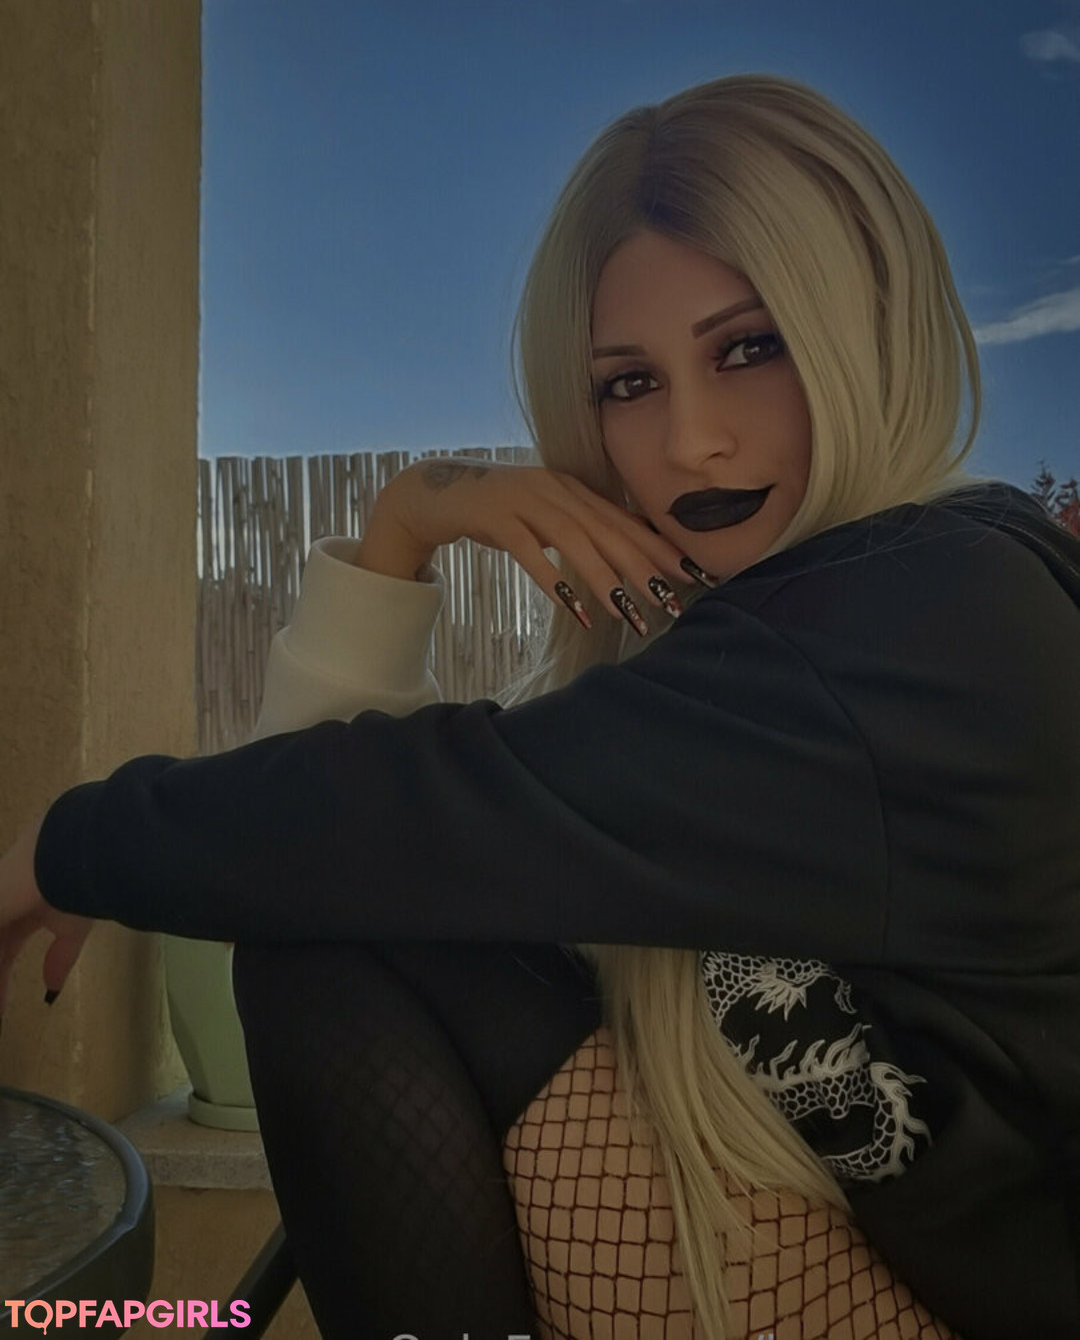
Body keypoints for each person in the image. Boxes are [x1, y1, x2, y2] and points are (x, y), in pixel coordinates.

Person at [1, 72, 1079, 1340]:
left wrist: (65, 846)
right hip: (845, 1242)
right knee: (336, 920)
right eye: (630, 383)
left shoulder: (937, 608)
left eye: (750, 348)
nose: (692, 441)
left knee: (338, 918)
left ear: (870, 329)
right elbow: (331, 857)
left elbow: (387, 825)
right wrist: (401, 530)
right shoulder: (751, 637)